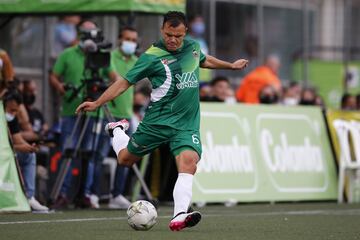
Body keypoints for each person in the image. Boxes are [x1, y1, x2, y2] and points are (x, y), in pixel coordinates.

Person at [76, 11, 248, 231]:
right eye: (168, 34)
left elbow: (204, 60)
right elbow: (124, 83)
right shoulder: (151, 56)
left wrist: (230, 66)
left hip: (186, 124)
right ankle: (117, 130)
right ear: (162, 30)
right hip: (158, 122)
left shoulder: (193, 47)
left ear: (185, 32)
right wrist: (98, 102)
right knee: (125, 159)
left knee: (188, 163)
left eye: (177, 35)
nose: (173, 40)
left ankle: (179, 216)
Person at [49, 20, 121, 208]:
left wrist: (115, 86)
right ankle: (62, 194)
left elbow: (115, 77)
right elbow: (54, 76)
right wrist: (61, 89)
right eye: (86, 33)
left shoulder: (102, 56)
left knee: (90, 151)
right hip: (70, 109)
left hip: (92, 110)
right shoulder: (67, 54)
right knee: (68, 150)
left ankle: (86, 194)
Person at [84, 26, 140, 209]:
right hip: (108, 113)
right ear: (119, 40)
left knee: (128, 156)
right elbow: (117, 79)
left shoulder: (136, 59)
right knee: (99, 154)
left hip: (126, 114)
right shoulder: (110, 57)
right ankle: (92, 193)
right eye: (127, 38)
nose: (131, 43)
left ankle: (117, 194)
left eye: (134, 39)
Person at [3, 90, 48, 212]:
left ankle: (29, 197)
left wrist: (29, 147)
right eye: (13, 110)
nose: (14, 113)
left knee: (30, 156)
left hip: (7, 153)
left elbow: (17, 140)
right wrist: (19, 147)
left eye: (17, 110)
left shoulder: (11, 119)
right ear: (7, 103)